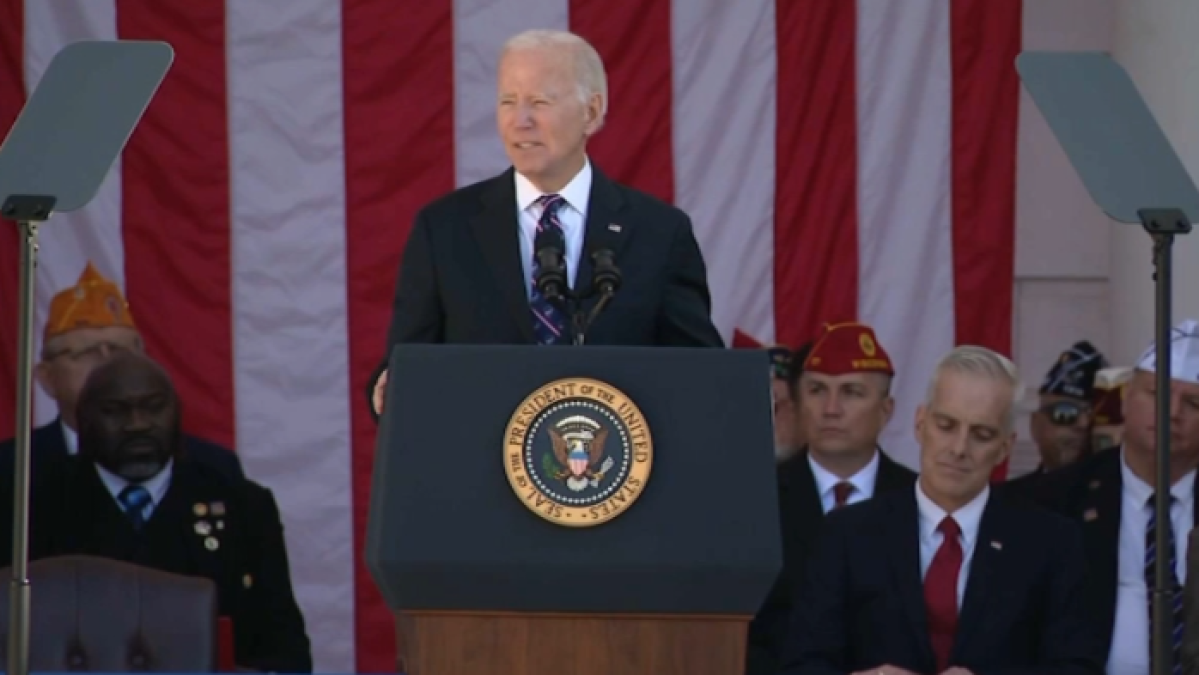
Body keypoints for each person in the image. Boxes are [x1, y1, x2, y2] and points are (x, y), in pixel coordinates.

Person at [369, 28, 723, 416]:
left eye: (539, 101)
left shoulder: (659, 232)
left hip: (614, 466)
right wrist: (388, 388)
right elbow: (406, 364)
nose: (520, 120)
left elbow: (701, 375)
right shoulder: (444, 229)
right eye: (508, 101)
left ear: (590, 111)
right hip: (478, 466)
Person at [780, 345, 1104, 675]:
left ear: (1005, 447)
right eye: (946, 426)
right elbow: (802, 662)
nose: (959, 448)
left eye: (981, 434)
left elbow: (1078, 667)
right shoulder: (848, 533)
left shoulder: (1050, 542)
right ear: (920, 424)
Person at [12, 353, 312, 673]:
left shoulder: (243, 505)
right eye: (115, 411)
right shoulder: (30, 505)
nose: (137, 424)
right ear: (83, 419)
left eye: (153, 407)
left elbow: (284, 647)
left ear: (177, 412)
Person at [747, 323, 916, 675]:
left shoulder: (920, 501)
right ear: (797, 401)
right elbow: (743, 632)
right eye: (817, 390)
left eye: (852, 392)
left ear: (886, 410)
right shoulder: (756, 499)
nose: (831, 408)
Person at [1047, 320, 1199, 675]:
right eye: (1156, 393)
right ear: (1127, 397)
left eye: (1193, 402)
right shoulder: (1057, 499)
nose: (1172, 412)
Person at [0, 262, 242, 481]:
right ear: (47, 378)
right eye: (87, 352)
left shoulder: (211, 466)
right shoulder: (13, 468)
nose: (108, 364)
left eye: (119, 350)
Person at [1004, 340, 1107, 501]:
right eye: (1065, 413)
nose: (1083, 424)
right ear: (1035, 425)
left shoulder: (1129, 504)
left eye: (1096, 415)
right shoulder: (1007, 503)